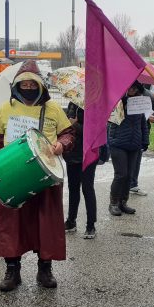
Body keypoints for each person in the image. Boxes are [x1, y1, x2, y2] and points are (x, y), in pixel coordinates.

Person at [0, 60, 75, 292]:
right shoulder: (6, 108)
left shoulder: (53, 108)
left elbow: (68, 133)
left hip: (45, 174)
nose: (28, 87)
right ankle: (12, 270)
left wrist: (61, 144)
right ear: (17, 86)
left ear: (40, 85)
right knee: (11, 223)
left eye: (31, 83)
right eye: (23, 84)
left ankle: (44, 269)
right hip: (12, 172)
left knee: (45, 222)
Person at [107, 81, 148, 216]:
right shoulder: (117, 101)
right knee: (121, 174)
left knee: (129, 175)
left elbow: (143, 123)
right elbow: (111, 117)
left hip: (134, 144)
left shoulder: (139, 103)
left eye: (134, 87)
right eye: (129, 86)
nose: (131, 89)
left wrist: (145, 141)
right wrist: (122, 99)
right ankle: (113, 203)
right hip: (118, 143)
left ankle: (123, 202)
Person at [63, 102, 97, 239]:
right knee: (73, 188)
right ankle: (71, 221)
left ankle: (91, 225)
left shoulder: (95, 104)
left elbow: (93, 131)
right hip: (72, 153)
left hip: (88, 153)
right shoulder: (72, 103)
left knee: (87, 189)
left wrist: (74, 124)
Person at [129, 84, 154, 197]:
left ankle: (133, 185)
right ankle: (121, 187)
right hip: (122, 132)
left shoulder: (147, 94)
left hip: (141, 131)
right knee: (122, 164)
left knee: (136, 158)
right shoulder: (121, 91)